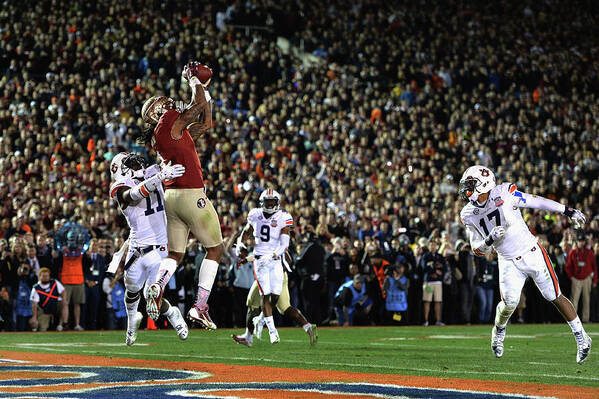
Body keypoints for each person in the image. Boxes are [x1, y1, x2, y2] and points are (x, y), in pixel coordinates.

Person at [459, 165, 591, 363]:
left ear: (484, 184)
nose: (466, 189)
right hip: (506, 260)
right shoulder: (468, 213)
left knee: (554, 295)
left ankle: (582, 337)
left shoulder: (504, 192)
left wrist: (567, 210)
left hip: (531, 251)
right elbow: (477, 250)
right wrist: (488, 240)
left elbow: (535, 201)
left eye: (471, 184)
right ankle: (499, 330)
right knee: (509, 304)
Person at [140, 61, 224, 330]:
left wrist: (206, 93)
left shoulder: (165, 134)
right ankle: (200, 307)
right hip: (189, 193)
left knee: (176, 254)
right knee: (216, 248)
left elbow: (206, 122)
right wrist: (193, 81)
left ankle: (157, 285)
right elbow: (195, 108)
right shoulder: (166, 123)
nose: (168, 103)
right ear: (159, 111)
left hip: (172, 198)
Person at [109, 152, 188, 345]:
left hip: (159, 247)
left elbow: (171, 159)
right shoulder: (119, 187)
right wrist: (160, 176)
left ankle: (172, 313)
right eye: (129, 164)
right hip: (137, 247)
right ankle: (132, 321)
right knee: (132, 288)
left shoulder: (152, 171)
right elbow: (133, 196)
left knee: (152, 295)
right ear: (121, 170)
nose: (136, 164)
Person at [234, 189, 293, 343]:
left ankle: (258, 323)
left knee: (274, 295)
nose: (271, 204)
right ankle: (271, 332)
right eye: (268, 201)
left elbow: (285, 244)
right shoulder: (255, 215)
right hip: (260, 261)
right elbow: (246, 232)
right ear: (262, 203)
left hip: (275, 261)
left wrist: (276, 254)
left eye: (273, 201)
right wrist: (240, 244)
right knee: (263, 295)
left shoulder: (283, 217)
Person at [231, 251, 317, 347]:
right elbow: (262, 254)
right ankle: (308, 327)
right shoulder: (271, 241)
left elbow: (287, 259)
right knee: (285, 308)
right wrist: (246, 260)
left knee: (253, 303)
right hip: (279, 276)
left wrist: (277, 272)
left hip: (270, 276)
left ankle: (249, 336)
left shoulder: (275, 239)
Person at [565, 233, 598, 323]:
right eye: (580, 241)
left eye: (582, 241)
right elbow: (568, 266)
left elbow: (594, 267)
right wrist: (571, 277)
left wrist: (594, 280)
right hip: (576, 278)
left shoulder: (589, 252)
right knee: (574, 300)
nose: (581, 243)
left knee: (586, 300)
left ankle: (585, 319)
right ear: (577, 242)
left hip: (587, 278)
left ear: (585, 242)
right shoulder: (573, 252)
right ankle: (573, 320)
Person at [30, 268, 67, 332]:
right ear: (39, 277)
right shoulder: (36, 288)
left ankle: (62, 324)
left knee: (65, 304)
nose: (45, 278)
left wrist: (63, 299)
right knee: (42, 329)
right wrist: (34, 317)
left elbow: (63, 291)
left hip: (55, 306)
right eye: (43, 276)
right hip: (44, 310)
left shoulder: (54, 282)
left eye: (47, 276)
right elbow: (34, 305)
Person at [420, 239, 447, 326]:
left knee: (438, 301)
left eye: (434, 245)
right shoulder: (425, 256)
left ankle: (438, 320)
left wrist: (439, 274)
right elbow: (424, 267)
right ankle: (425, 320)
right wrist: (434, 272)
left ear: (437, 246)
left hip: (438, 282)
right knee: (427, 301)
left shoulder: (440, 256)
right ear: (428, 246)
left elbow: (444, 268)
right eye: (431, 245)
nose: (433, 247)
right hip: (428, 281)